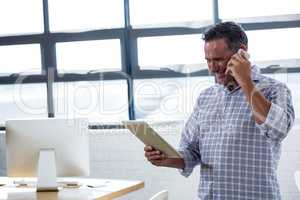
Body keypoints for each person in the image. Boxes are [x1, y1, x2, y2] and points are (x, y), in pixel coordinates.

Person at [144, 21, 295, 200]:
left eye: (219, 60)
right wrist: (165, 158)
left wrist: (245, 81)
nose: (212, 68)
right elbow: (191, 152)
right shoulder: (206, 97)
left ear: (242, 52)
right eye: (208, 61)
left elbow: (278, 131)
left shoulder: (275, 90)